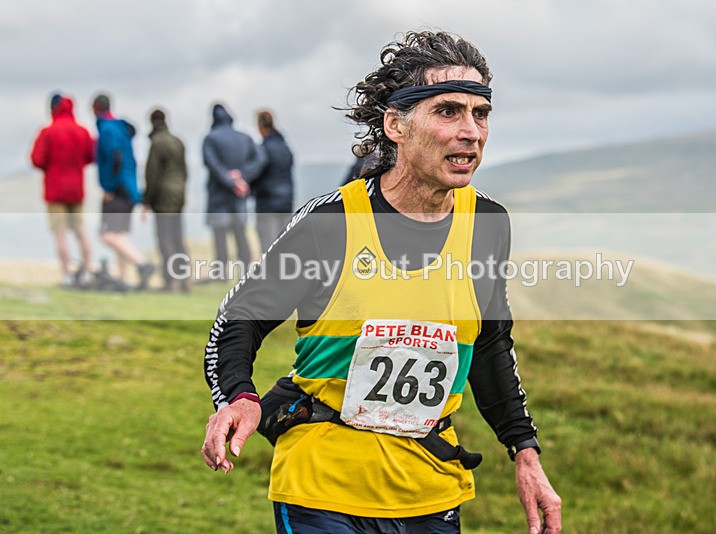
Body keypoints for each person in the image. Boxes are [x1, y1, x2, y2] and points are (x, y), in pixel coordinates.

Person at [201, 30, 562, 534]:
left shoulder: (487, 223)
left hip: (431, 488)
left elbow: (488, 345)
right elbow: (237, 321)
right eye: (448, 111)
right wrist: (237, 398)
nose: (471, 131)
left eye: (481, 114)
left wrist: (524, 452)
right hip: (322, 484)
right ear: (395, 124)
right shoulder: (333, 222)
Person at [30, 93, 95, 287]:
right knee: (80, 231)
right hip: (76, 190)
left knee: (60, 234)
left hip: (55, 189)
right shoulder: (82, 131)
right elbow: (90, 155)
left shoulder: (48, 132)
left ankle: (67, 275)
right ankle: (87, 272)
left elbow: (37, 159)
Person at [92, 93, 155, 290]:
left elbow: (115, 158)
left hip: (118, 189)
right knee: (120, 234)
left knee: (108, 235)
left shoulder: (107, 129)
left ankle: (142, 264)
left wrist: (109, 187)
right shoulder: (120, 128)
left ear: (95, 108)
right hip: (129, 187)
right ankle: (122, 279)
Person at [202, 103, 266, 276]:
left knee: (220, 236)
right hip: (240, 194)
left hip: (218, 194)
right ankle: (247, 271)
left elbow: (212, 164)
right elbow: (260, 158)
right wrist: (242, 177)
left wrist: (230, 181)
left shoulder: (210, 138)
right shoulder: (245, 137)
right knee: (241, 233)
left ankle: (220, 274)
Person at [142, 108, 190, 292]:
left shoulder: (157, 143)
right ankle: (185, 279)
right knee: (178, 238)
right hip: (179, 194)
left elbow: (152, 175)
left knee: (166, 239)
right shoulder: (178, 141)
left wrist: (147, 200)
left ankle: (171, 281)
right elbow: (184, 171)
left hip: (163, 197)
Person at [252, 109, 294, 252]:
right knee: (284, 244)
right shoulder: (285, 147)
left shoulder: (263, 149)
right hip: (286, 202)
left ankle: (270, 274)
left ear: (260, 126)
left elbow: (255, 173)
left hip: (267, 203)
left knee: (268, 247)